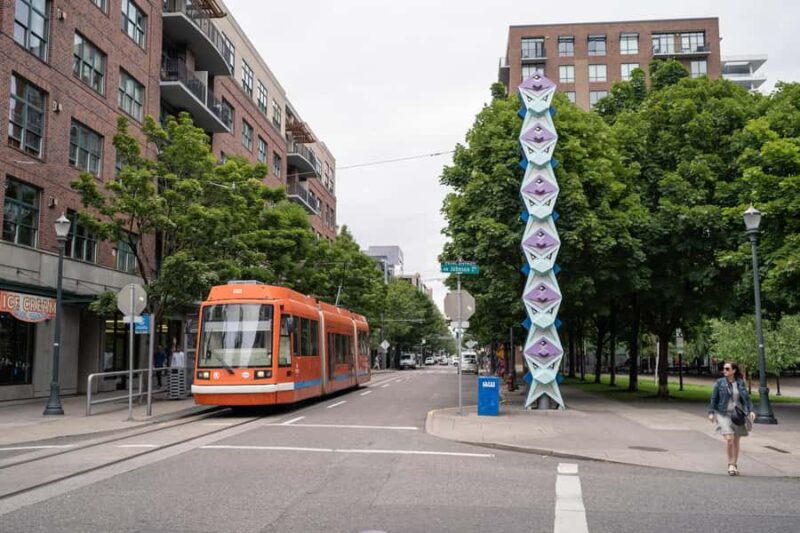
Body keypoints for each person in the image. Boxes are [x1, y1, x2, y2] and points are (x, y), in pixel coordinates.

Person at [708, 361, 756, 476]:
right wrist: (711, 412)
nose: (724, 371)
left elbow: (746, 398)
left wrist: (750, 410)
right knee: (729, 439)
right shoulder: (719, 383)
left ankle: (734, 464)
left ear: (734, 371)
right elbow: (714, 398)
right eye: (724, 369)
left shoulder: (740, 383)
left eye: (727, 369)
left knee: (736, 440)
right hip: (723, 414)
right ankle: (730, 464)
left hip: (737, 414)